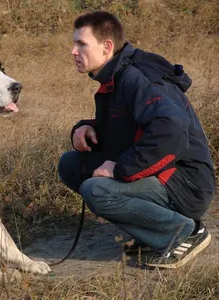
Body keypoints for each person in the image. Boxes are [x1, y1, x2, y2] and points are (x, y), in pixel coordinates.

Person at [58, 10, 216, 268]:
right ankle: (153, 234)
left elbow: (172, 132)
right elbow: (128, 125)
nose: (73, 51)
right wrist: (85, 127)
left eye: (81, 44)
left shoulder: (137, 78)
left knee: (95, 189)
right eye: (74, 43)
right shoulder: (116, 75)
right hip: (165, 175)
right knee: (72, 164)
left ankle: (184, 234)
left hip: (186, 184)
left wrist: (119, 169)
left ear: (107, 47)